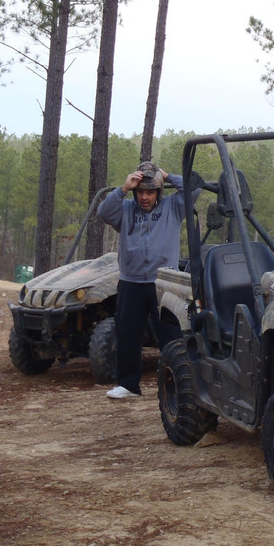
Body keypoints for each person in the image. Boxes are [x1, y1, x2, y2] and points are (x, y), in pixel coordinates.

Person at [97, 160, 190, 399]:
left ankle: (178, 387)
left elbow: (193, 189)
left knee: (171, 337)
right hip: (131, 281)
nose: (145, 197)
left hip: (163, 283)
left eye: (150, 192)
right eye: (141, 192)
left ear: (158, 193)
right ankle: (128, 385)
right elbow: (104, 212)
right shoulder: (126, 210)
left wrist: (166, 176)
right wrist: (124, 189)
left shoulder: (173, 207)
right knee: (128, 334)